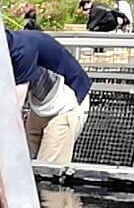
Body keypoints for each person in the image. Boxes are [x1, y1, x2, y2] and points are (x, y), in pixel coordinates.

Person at [8, 28, 92, 165]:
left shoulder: (22, 49)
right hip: (42, 103)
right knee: (26, 163)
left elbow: (16, 103)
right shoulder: (5, 49)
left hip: (67, 104)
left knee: (47, 169)